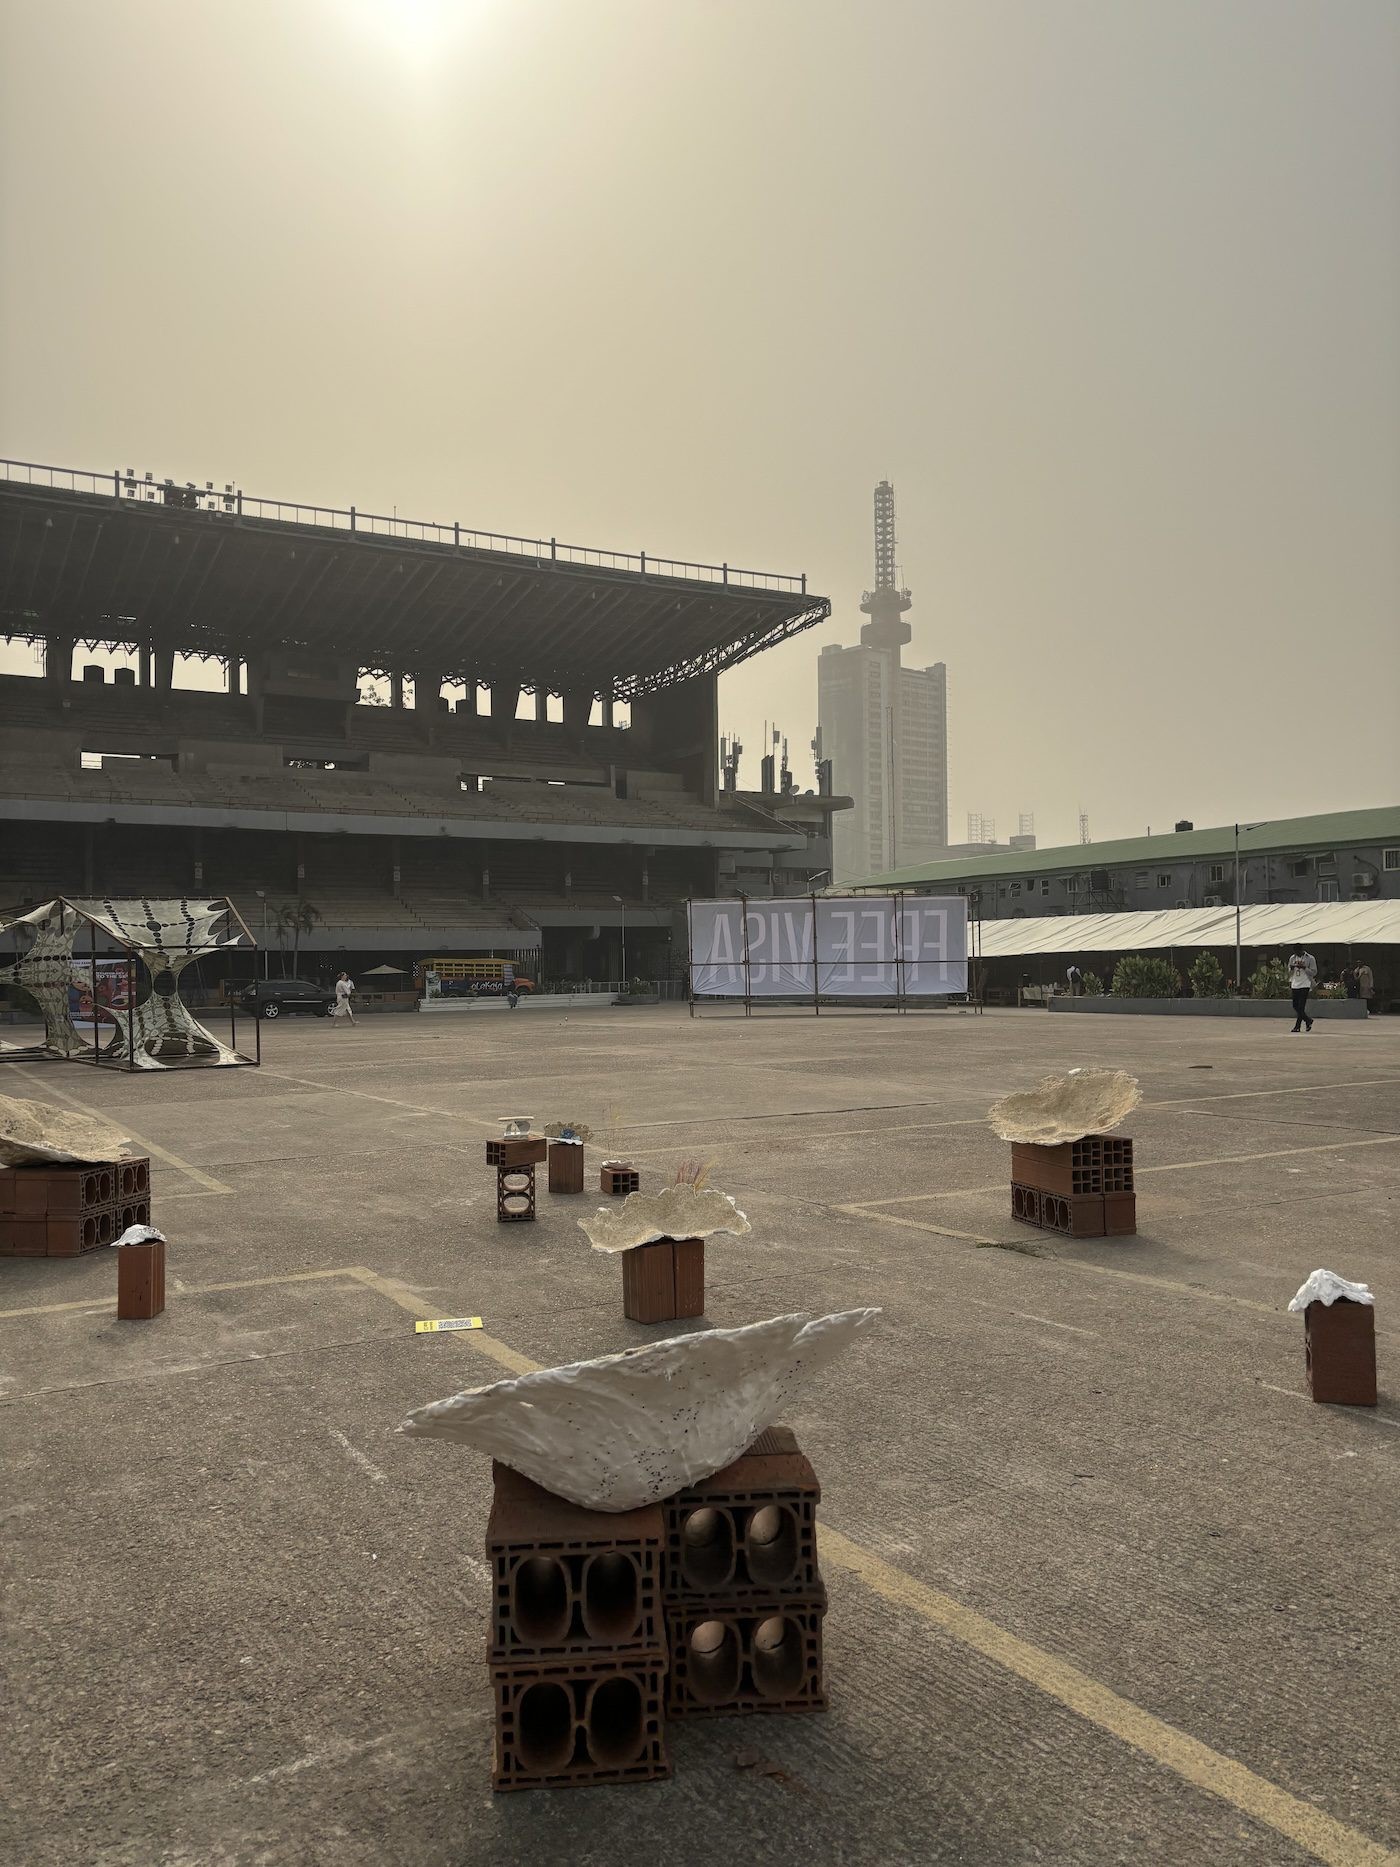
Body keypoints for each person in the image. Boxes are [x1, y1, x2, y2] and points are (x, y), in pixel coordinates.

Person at [1287, 947, 1317, 1033]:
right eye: (1295, 952)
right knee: (1295, 1005)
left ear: (1301, 950)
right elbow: (1289, 971)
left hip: (1305, 983)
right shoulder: (1292, 958)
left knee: (1301, 1006)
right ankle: (1308, 1020)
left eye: (1298, 952)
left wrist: (1304, 968)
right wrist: (1291, 968)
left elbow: (1314, 972)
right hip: (1295, 983)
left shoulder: (1310, 958)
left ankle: (1297, 1026)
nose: (1297, 954)